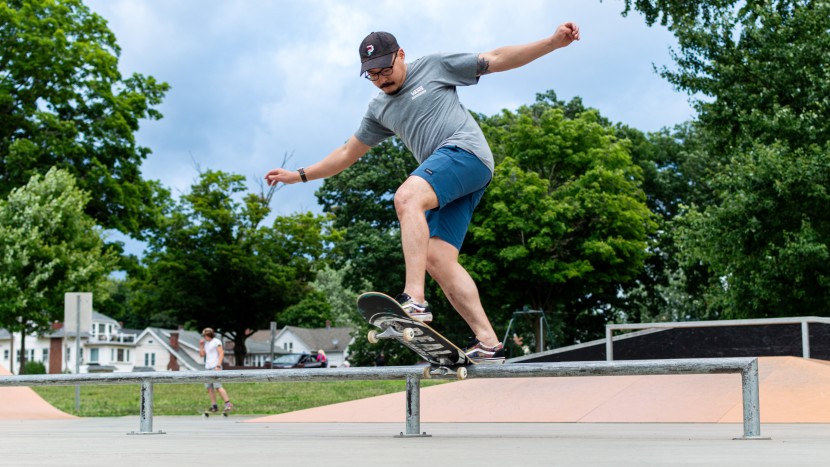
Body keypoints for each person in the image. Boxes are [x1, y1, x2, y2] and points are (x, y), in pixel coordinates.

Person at [265, 22, 580, 364]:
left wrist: (552, 43)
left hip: (466, 153)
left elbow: (496, 58)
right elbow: (345, 154)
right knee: (437, 258)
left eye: (386, 69)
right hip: (454, 179)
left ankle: (414, 299)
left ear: (401, 55)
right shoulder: (378, 110)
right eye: (372, 75)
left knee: (407, 197)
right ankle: (489, 342)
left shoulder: (434, 66)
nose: (382, 79)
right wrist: (298, 176)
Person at [199, 328, 232, 413]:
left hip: (215, 366)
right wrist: (201, 346)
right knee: (209, 388)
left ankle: (228, 404)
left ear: (208, 335)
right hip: (208, 367)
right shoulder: (206, 343)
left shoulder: (216, 341)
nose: (204, 337)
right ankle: (214, 406)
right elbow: (202, 355)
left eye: (204, 335)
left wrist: (218, 365)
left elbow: (221, 353)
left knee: (218, 386)